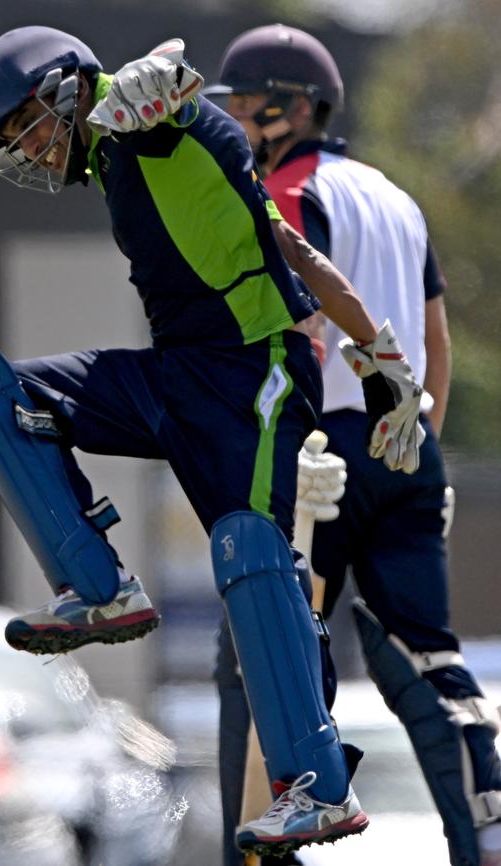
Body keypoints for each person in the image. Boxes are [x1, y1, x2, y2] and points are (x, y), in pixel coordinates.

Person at [0, 25, 427, 860]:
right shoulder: (108, 160)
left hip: (259, 370)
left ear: (69, 87)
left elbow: (172, 107)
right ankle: (99, 587)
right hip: (177, 377)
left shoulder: (148, 122)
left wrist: (163, 92)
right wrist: (380, 353)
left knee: (248, 546)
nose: (27, 148)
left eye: (28, 124)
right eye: (13, 141)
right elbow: (287, 241)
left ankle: (316, 788)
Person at [207, 23, 501, 866]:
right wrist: (424, 456)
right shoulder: (396, 196)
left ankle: (262, 857)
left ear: (290, 107)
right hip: (406, 445)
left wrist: (288, 447)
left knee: (266, 658)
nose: (237, 123)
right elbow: (434, 344)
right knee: (427, 659)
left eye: (245, 106)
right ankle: (481, 832)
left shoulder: (288, 193)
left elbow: (304, 321)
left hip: (320, 453)